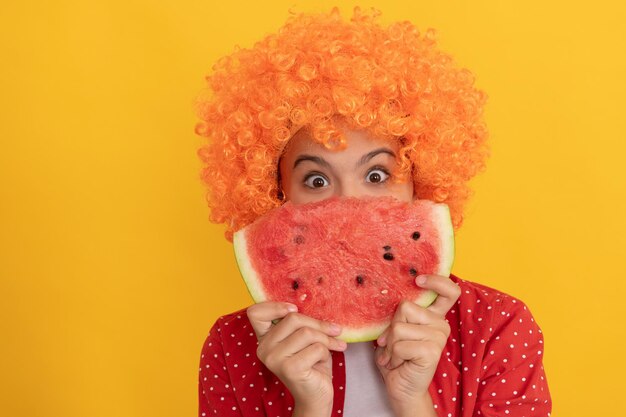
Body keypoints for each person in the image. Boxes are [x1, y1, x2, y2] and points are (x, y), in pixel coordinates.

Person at [194, 7, 551, 417]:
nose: (350, 207)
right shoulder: (234, 345)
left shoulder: (497, 327)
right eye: (316, 180)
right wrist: (310, 404)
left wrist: (413, 401)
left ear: (422, 178)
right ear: (277, 194)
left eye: (378, 175)